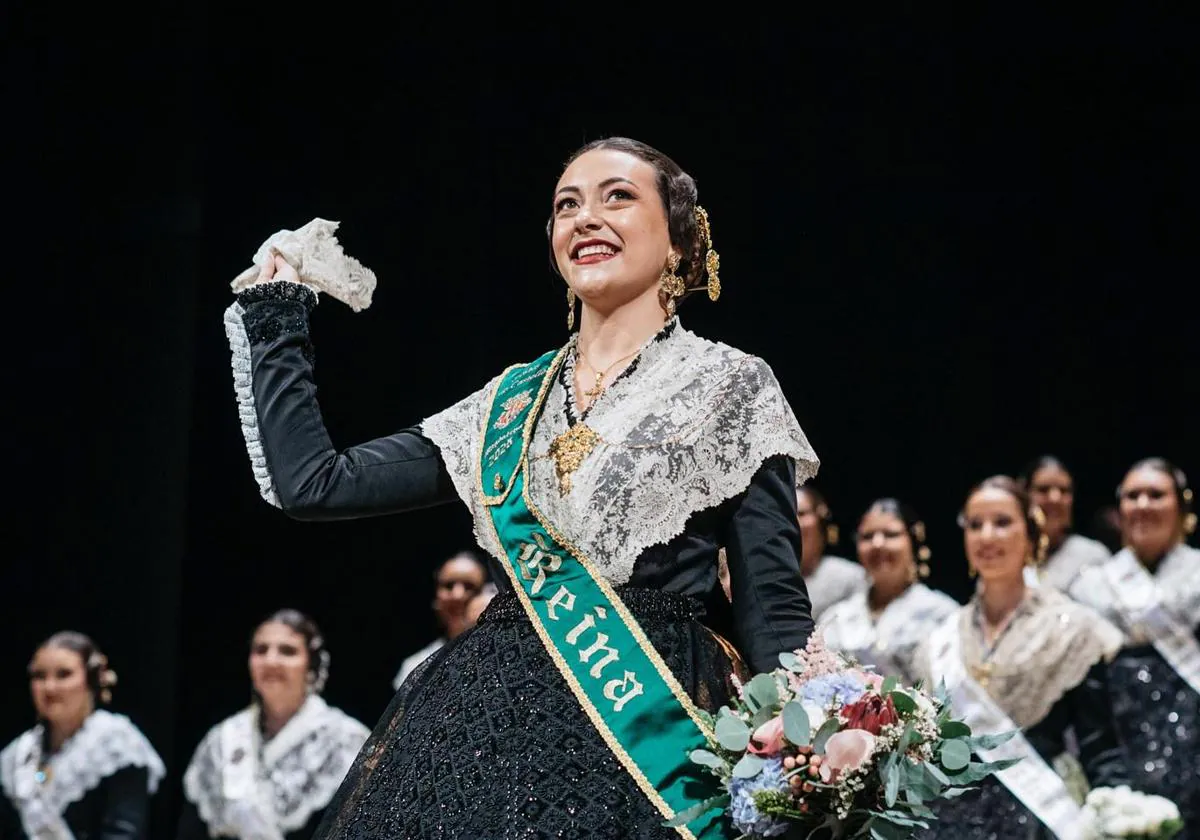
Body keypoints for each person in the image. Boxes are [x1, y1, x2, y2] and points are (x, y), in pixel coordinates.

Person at [223, 136, 819, 838]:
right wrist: (278, 317)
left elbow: (769, 596)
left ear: (681, 244)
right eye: (567, 205)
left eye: (617, 197)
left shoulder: (732, 384)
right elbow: (313, 484)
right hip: (490, 717)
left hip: (660, 716)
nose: (586, 218)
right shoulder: (507, 403)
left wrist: (804, 727)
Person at [914, 477, 1129, 839]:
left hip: (1042, 818)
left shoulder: (1073, 629)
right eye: (975, 524)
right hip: (953, 822)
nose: (986, 536)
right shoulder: (938, 641)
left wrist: (1121, 816)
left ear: (1031, 534)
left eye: (1002, 522)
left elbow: (1099, 747)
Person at [1069, 458, 1200, 836]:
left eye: (1156, 495)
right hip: (1125, 782)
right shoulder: (1091, 591)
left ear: (1182, 507)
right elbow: (1089, 711)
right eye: (1132, 496)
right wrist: (1113, 786)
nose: (1142, 504)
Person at [178, 610, 370, 840]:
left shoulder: (347, 741)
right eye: (261, 650)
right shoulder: (221, 740)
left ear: (311, 665)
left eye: (287, 651)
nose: (271, 661)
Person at [0, 632, 164, 839]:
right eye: (39, 676)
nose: (49, 687)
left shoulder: (117, 744)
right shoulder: (19, 754)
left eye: (63, 674)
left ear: (90, 680)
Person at [817, 498, 958, 685]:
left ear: (912, 542)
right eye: (867, 536)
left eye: (891, 534)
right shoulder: (834, 618)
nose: (877, 544)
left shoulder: (942, 614)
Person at [391, 551, 488, 690]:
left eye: (469, 586)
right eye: (449, 586)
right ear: (436, 598)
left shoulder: (505, 654)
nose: (458, 595)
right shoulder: (415, 667)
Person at [1018, 455, 1110, 591]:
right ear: (1025, 496)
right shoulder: (1011, 555)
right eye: (1043, 490)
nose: (1055, 498)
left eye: (1064, 491)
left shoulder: (1092, 555)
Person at [796, 486, 866, 620]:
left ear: (820, 520)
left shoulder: (851, 576)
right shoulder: (765, 576)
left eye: (801, 514)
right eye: (785, 515)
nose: (793, 522)